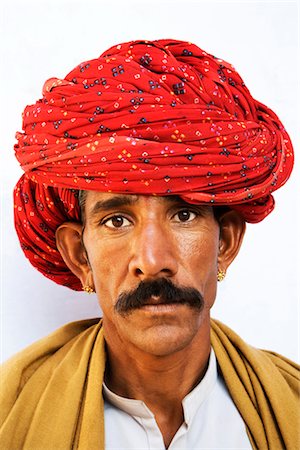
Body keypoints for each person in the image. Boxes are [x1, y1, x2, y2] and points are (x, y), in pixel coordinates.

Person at [0, 39, 298, 450]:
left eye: (183, 216)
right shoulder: (9, 413)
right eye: (117, 220)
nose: (153, 261)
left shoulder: (291, 407)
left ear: (226, 243)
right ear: (79, 256)